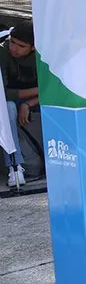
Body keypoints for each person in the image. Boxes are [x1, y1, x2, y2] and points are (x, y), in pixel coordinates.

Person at [2, 20, 37, 185]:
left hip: (33, 100)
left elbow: (58, 88)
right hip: (8, 100)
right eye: (12, 42)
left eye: (20, 46)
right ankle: (15, 167)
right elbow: (3, 93)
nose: (13, 48)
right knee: (8, 108)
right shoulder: (3, 52)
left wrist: (28, 103)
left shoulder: (43, 56)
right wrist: (39, 90)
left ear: (33, 47)